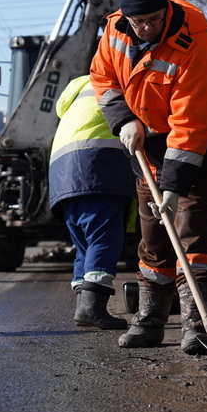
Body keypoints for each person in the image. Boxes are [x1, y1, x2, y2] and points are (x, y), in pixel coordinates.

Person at [89, 0, 207, 355]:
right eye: (140, 22)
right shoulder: (115, 32)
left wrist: (173, 186)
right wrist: (123, 119)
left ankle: (198, 324)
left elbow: (191, 123)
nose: (148, 27)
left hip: (198, 138)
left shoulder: (193, 40)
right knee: (152, 233)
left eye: (154, 19)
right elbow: (102, 79)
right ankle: (151, 321)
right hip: (145, 136)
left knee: (191, 227)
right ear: (127, 19)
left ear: (165, 10)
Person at [48, 74, 136, 330]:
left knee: (85, 244)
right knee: (104, 238)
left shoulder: (77, 87)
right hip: (97, 167)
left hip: (62, 173)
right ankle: (92, 308)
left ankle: (84, 307)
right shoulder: (123, 79)